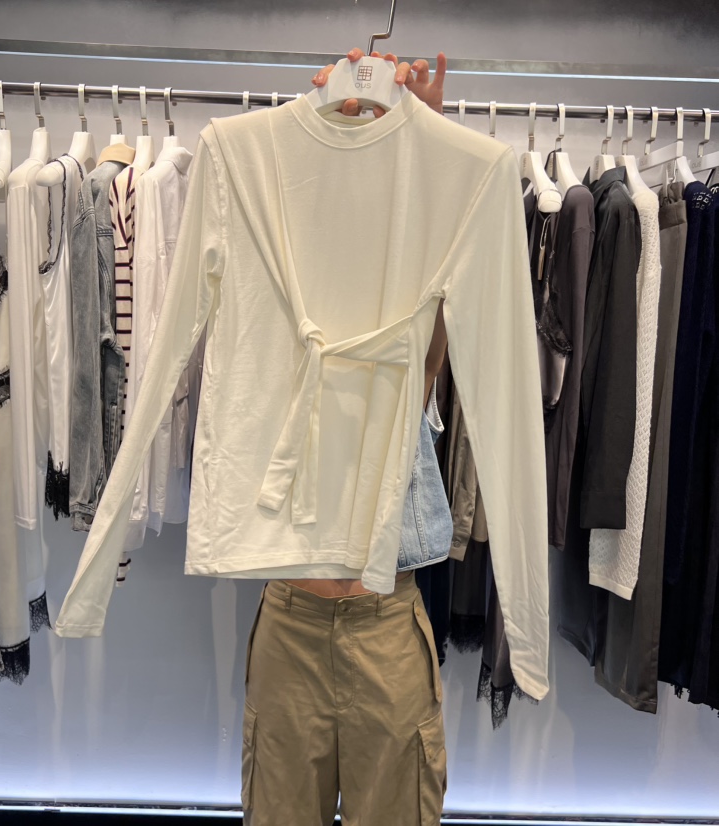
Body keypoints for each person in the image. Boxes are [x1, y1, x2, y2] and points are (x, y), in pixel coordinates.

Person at [242, 47, 451, 826]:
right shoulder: (276, 314)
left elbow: (433, 317)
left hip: (385, 623)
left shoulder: (400, 337)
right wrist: (318, 143)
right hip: (291, 619)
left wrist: (423, 140)